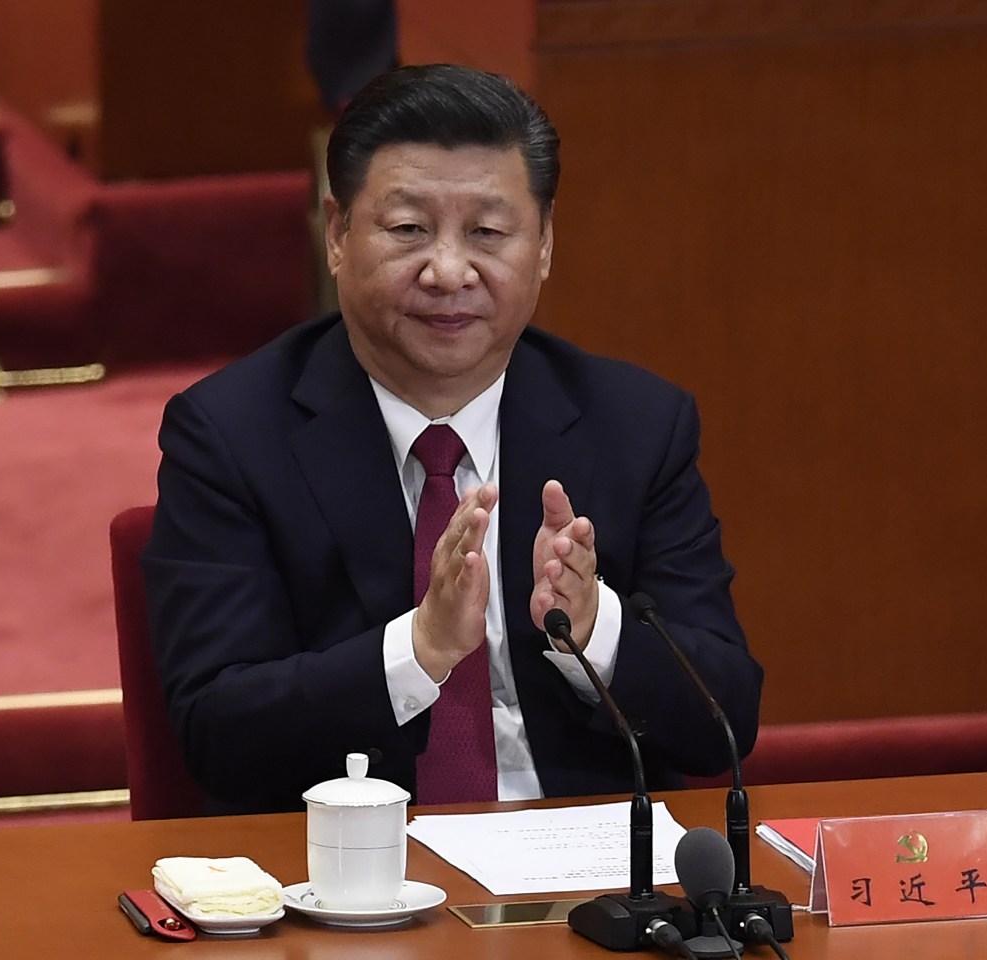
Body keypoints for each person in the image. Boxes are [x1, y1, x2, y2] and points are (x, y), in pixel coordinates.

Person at [143, 64, 763, 814]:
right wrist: (421, 650)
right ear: (337, 234)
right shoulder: (231, 434)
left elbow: (724, 722)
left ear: (543, 245)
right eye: (408, 229)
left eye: (487, 233)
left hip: (584, 858)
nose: (447, 271)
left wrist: (595, 628)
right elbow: (217, 730)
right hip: (357, 861)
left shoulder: (636, 423)